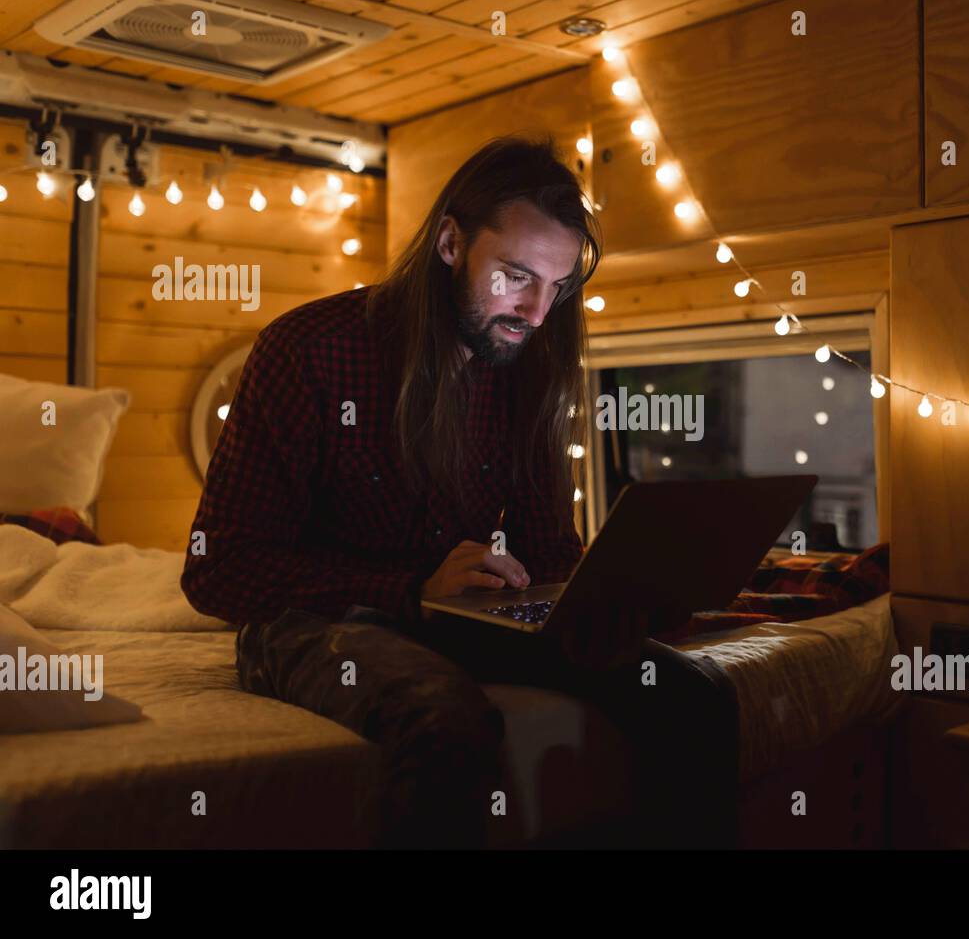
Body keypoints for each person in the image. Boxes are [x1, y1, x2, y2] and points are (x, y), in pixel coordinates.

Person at [180, 136, 739, 849]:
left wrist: (609, 599)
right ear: (450, 242)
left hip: (468, 615)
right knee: (445, 718)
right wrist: (412, 587)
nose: (537, 311)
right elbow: (217, 569)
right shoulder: (308, 350)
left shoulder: (531, 365)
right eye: (515, 276)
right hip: (311, 618)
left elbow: (546, 552)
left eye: (556, 287)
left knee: (697, 695)